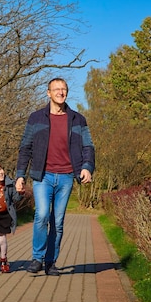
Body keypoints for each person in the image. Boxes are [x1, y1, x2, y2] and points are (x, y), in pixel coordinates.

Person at [15, 77, 95, 276]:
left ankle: (50, 262)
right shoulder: (36, 118)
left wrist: (87, 167)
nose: (60, 92)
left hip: (67, 176)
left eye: (64, 89)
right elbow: (25, 147)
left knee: (57, 222)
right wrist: (20, 175)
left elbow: (88, 146)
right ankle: (37, 258)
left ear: (67, 92)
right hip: (43, 176)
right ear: (48, 93)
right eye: (56, 89)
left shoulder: (78, 119)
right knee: (41, 215)